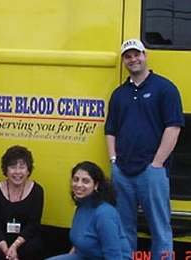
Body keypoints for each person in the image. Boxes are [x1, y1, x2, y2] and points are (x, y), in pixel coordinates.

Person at [105, 39, 184, 259]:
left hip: (152, 173)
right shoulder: (119, 94)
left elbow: (174, 127)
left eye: (136, 54)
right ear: (124, 61)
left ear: (145, 55)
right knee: (124, 230)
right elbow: (110, 130)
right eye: (128, 56)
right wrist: (113, 161)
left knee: (160, 229)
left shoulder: (165, 88)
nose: (133, 60)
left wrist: (157, 164)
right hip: (122, 173)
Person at [45, 161, 131, 260]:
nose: (79, 185)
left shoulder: (104, 213)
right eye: (76, 180)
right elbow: (79, 243)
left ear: (96, 185)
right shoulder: (82, 205)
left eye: (85, 181)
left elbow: (113, 254)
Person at [0, 145, 44, 260]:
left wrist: (15, 246)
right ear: (6, 169)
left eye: (22, 167)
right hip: (1, 239)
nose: (17, 172)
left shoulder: (37, 191)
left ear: (28, 170)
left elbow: (33, 224)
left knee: (33, 249)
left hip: (25, 238)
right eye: (12, 167)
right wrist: (7, 250)